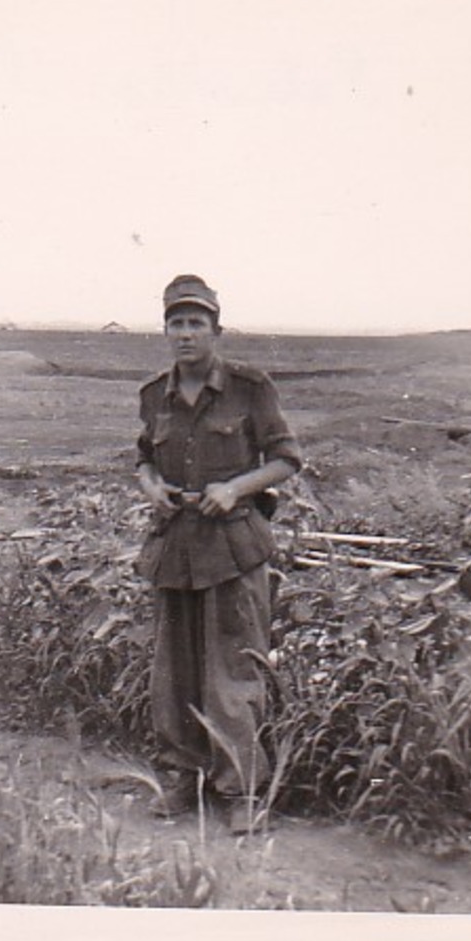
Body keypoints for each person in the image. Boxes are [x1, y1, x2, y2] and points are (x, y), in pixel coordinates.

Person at [136, 274, 302, 833]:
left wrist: (235, 487)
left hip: (233, 549)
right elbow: (144, 459)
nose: (185, 333)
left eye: (196, 323)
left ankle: (242, 792)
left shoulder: (250, 388)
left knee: (232, 674)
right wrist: (151, 486)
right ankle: (183, 779)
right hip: (174, 549)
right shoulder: (152, 394)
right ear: (165, 330)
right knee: (172, 674)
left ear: (216, 330)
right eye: (176, 323)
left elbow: (285, 459)